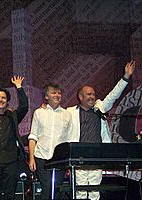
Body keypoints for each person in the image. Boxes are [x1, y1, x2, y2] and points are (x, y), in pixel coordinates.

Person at [67, 60, 136, 200]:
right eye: (88, 94)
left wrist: (126, 77)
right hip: (79, 155)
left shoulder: (100, 108)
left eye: (93, 94)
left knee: (94, 192)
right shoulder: (69, 112)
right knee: (79, 192)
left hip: (96, 155)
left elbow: (113, 95)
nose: (92, 96)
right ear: (80, 97)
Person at [28, 83, 73, 200]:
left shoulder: (67, 114)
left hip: (60, 159)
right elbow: (33, 136)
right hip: (41, 156)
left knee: (57, 189)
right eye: (53, 92)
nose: (57, 95)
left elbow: (69, 139)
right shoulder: (39, 112)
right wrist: (31, 158)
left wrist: (68, 163)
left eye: (59, 93)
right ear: (46, 96)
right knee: (47, 188)